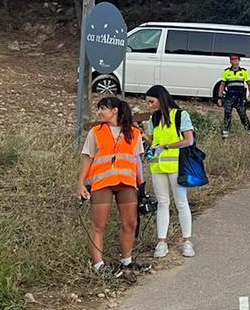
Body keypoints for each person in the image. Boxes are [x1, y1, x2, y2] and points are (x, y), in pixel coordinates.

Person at [77, 97, 146, 276]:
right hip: (102, 183)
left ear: (114, 110)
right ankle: (99, 265)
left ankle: (127, 261)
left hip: (127, 183)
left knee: (130, 223)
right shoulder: (96, 131)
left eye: (103, 109)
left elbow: (137, 160)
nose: (99, 112)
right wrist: (81, 184)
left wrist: (142, 185)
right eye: (98, 109)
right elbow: (87, 157)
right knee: (98, 225)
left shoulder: (134, 132)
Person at [143, 85, 197, 259]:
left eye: (152, 101)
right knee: (162, 203)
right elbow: (154, 140)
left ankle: (187, 241)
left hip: (176, 166)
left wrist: (166, 146)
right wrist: (144, 136)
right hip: (157, 166)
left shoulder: (181, 115)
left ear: (161, 98)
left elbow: (189, 140)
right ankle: (162, 242)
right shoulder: (154, 118)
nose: (150, 105)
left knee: (181, 203)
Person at [221, 54, 250, 138]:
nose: (234, 62)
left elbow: (249, 84)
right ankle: (225, 133)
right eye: (232, 60)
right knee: (227, 114)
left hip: (240, 97)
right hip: (229, 96)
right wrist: (219, 97)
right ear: (230, 61)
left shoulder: (243, 72)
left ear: (239, 60)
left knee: (242, 115)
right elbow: (222, 84)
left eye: (236, 60)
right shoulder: (226, 72)